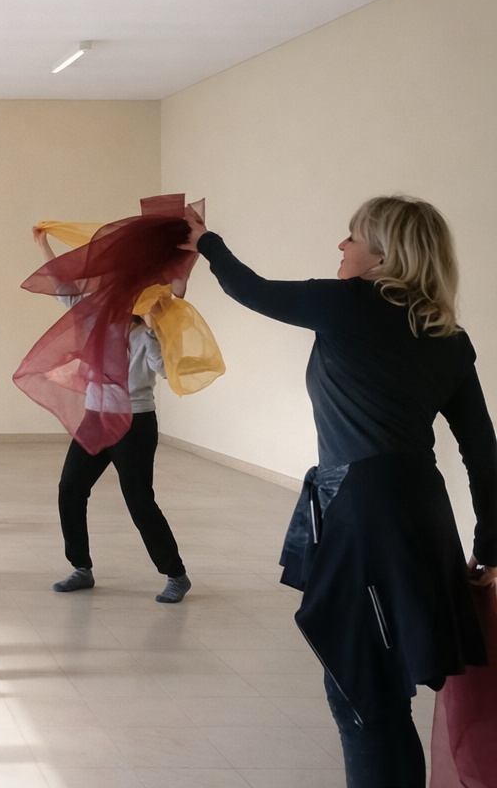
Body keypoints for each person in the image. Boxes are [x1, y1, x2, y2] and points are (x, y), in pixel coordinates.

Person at [181, 196, 497, 787]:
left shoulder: (347, 302)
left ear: (383, 255)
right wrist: (491, 544)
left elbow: (250, 288)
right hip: (420, 512)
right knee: (378, 689)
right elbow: (483, 451)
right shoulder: (447, 335)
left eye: (353, 236)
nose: (341, 246)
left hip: (365, 513)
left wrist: (206, 241)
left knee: (362, 696)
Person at [34, 228, 190, 603]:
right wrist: (42, 244)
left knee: (139, 500)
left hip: (134, 423)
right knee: (70, 490)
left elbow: (167, 372)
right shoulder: (91, 323)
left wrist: (157, 330)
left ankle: (175, 574)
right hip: (96, 418)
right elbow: (63, 287)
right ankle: (81, 568)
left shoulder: (142, 336)